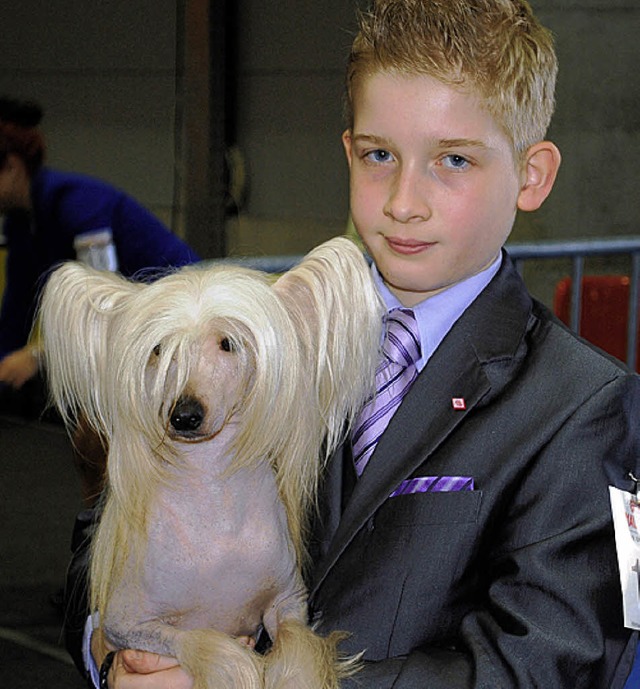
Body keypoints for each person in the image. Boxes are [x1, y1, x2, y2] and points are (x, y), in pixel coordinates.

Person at [65, 1, 640, 687]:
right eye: (379, 155)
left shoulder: (586, 407)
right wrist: (113, 651)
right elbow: (109, 536)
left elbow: (552, 663)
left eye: (453, 159)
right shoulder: (254, 341)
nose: (403, 200)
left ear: (533, 174)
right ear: (348, 151)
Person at [0, 96, 199, 412]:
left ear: (11, 166)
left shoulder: (78, 204)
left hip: (178, 314)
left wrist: (38, 355)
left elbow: (103, 304)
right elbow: (17, 307)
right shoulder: (20, 224)